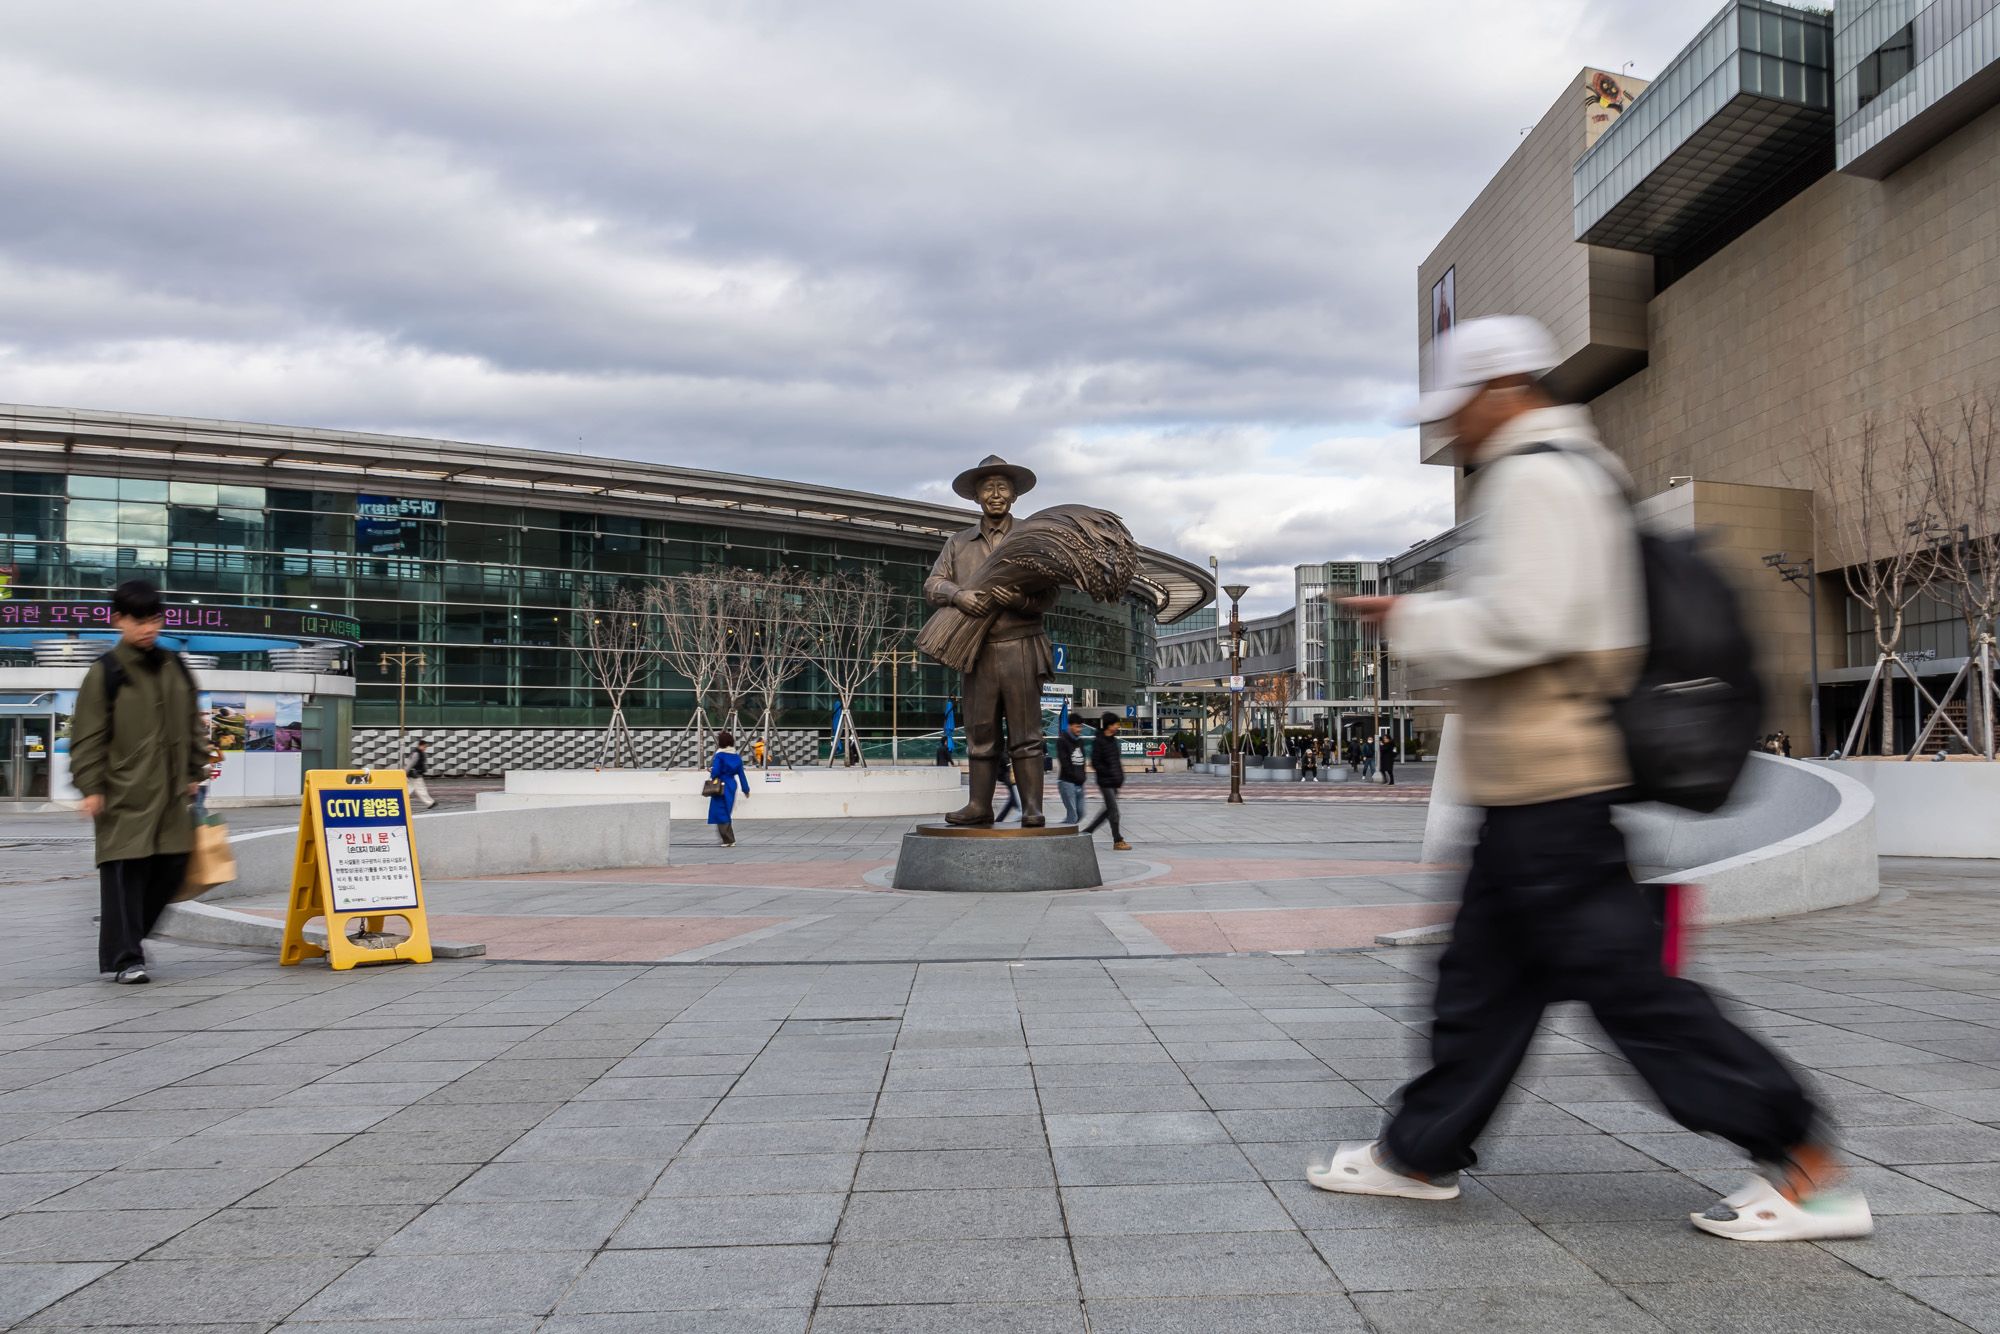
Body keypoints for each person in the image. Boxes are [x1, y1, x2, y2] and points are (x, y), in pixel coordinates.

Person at [1313, 314, 1869, 1243]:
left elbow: (1530, 624)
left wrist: (1412, 619)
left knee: (1630, 990)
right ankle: (1419, 1152)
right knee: (1481, 983)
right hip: (1530, 783)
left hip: (1554, 779)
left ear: (1499, 391)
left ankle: (1809, 1165)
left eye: (1456, 405)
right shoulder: (1564, 469)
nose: (1451, 428)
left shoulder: (1537, 476)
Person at [70, 579, 209, 985]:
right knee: (125, 875)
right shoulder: (107, 671)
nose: (149, 628)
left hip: (168, 794)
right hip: (122, 791)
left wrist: (193, 772)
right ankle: (126, 956)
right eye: (139, 620)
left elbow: (192, 723)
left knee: (173, 865)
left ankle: (128, 939)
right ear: (119, 620)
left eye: (155, 620)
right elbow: (88, 735)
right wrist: (91, 786)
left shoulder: (175, 664)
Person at [925, 456, 1060, 827]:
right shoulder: (958, 543)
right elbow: (933, 583)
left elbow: (1050, 595)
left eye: (1003, 488)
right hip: (977, 650)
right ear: (976, 497)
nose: (996, 495)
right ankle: (979, 806)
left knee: (1026, 733)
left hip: (1022, 646)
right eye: (988, 489)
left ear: (1014, 496)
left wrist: (1020, 602)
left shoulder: (1031, 538)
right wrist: (957, 595)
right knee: (980, 731)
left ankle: (1032, 807)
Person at [1080, 713, 1131, 851]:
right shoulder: (1099, 741)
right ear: (1109, 725)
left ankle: (1087, 832)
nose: (1117, 726)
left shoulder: (1113, 740)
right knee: (1114, 811)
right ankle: (1118, 840)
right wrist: (1108, 772)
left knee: (1107, 811)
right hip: (1105, 781)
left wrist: (1119, 776)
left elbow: (1115, 761)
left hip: (1114, 781)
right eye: (1115, 724)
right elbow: (1094, 762)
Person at [707, 730, 749, 846]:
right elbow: (741, 774)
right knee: (726, 810)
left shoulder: (720, 755)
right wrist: (746, 789)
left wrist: (711, 770)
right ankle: (729, 839)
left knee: (720, 811)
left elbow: (716, 771)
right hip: (731, 784)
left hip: (721, 785)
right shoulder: (736, 756)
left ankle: (728, 839)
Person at [1056, 714, 1089, 824]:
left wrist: (1082, 777)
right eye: (1076, 726)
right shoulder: (1062, 740)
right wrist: (1074, 776)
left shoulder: (1080, 741)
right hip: (1067, 782)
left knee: (1080, 812)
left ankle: (1059, 831)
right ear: (1070, 726)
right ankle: (1068, 838)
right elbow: (1064, 762)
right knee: (1073, 813)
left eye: (1080, 727)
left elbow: (1083, 760)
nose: (1079, 729)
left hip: (1079, 783)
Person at [407, 738, 437, 809]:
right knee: (421, 789)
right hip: (416, 774)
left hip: (414, 774)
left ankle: (400, 799)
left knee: (410, 788)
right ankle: (430, 803)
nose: (425, 748)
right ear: (421, 745)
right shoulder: (417, 753)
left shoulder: (417, 752)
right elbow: (411, 763)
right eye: (425, 746)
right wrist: (405, 772)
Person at [994, 751, 1021, 823]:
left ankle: (998, 821)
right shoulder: (1006, 755)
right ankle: (1010, 824)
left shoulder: (1007, 753)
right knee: (1019, 808)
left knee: (1011, 802)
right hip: (1011, 781)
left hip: (1011, 780)